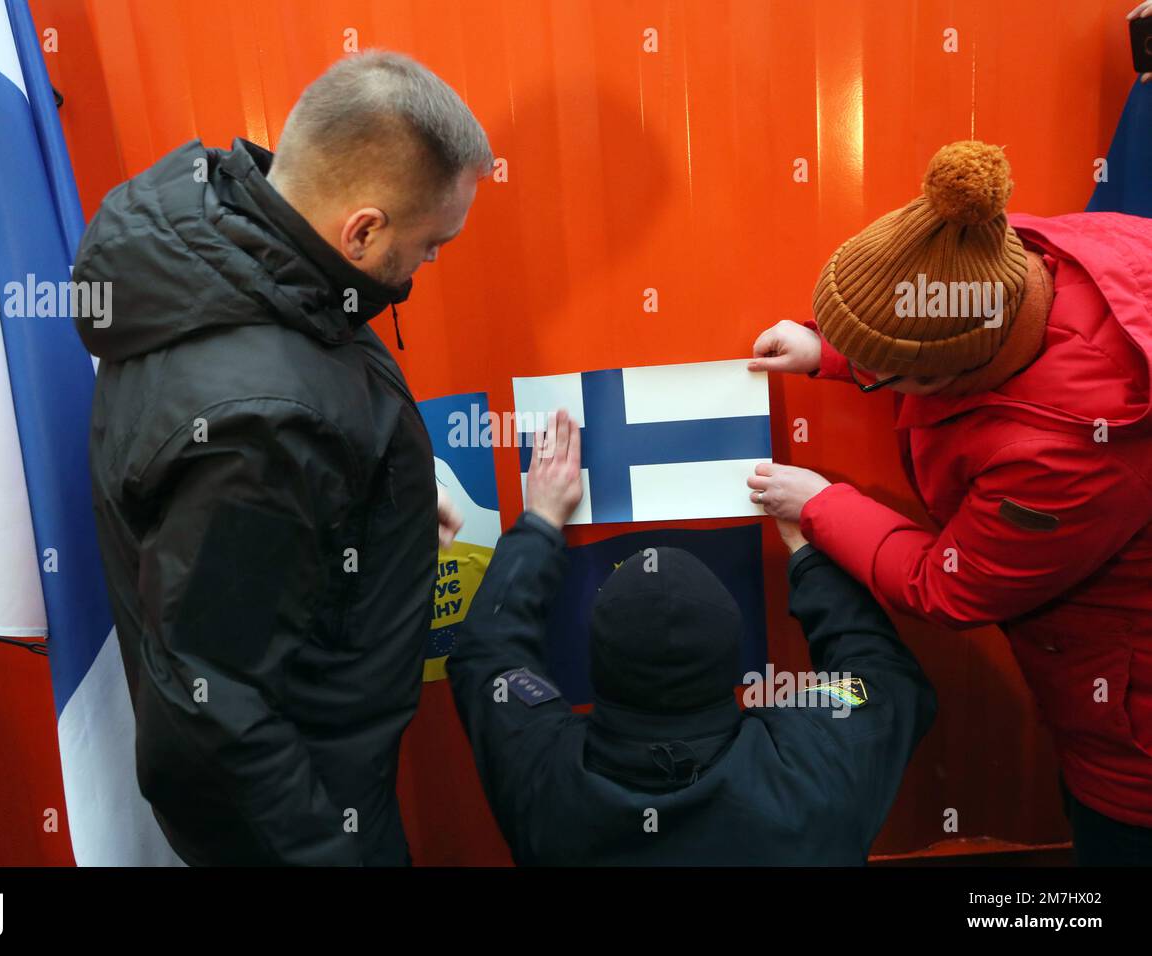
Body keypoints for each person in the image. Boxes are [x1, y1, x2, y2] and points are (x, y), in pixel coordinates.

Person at [72, 51, 488, 865]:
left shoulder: (243, 256)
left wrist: (383, 509)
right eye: (431, 243)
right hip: (306, 825)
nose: (430, 266)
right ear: (362, 229)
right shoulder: (260, 424)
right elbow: (210, 715)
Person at [747, 140, 1152, 864]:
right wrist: (827, 351)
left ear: (946, 374)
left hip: (1135, 750)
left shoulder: (1071, 451)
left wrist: (820, 504)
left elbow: (949, 585)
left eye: (886, 375)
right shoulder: (995, 248)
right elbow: (930, 322)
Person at [446, 410, 935, 865]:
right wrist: (809, 552)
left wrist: (540, 521)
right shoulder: (816, 773)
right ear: (737, 657)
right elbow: (885, 677)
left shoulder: (541, 778)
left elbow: (486, 653)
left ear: (592, 661)